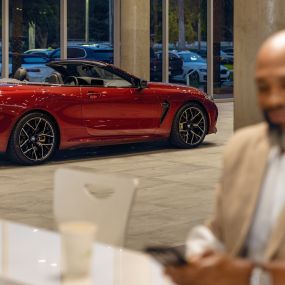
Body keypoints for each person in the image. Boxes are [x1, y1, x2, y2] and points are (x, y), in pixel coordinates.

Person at [165, 30, 285, 285]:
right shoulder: (243, 147)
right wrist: (198, 257)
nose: (274, 99)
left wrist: (247, 275)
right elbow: (217, 231)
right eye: (263, 88)